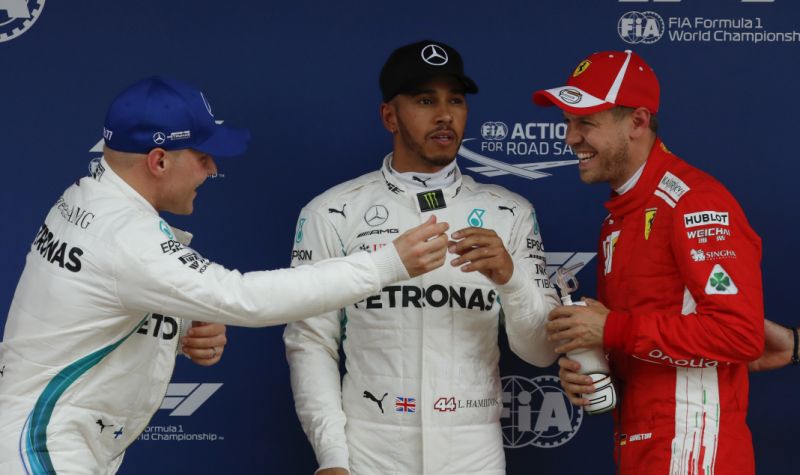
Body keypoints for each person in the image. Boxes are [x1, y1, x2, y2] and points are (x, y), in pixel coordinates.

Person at [0, 76, 450, 474]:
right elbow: (242, 299)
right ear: (159, 161)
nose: (213, 168)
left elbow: (93, 306)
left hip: (44, 440)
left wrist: (173, 330)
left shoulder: (88, 198)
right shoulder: (122, 233)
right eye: (203, 156)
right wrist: (385, 264)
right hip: (41, 449)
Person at [283, 40, 559, 475]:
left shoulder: (510, 213)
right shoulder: (333, 212)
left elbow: (541, 351)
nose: (445, 114)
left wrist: (511, 279)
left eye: (456, 100)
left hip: (475, 454)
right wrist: (332, 457)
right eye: (425, 100)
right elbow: (310, 343)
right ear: (389, 115)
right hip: (370, 453)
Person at [534, 50, 764, 474]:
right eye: (568, 122)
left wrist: (611, 328)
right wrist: (591, 363)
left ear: (637, 122)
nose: (570, 138)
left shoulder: (692, 202)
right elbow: (646, 331)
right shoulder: (619, 217)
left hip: (694, 442)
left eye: (586, 122)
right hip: (644, 442)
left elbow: (740, 334)